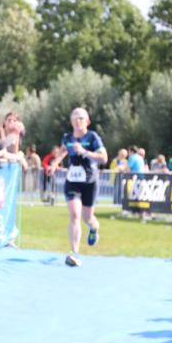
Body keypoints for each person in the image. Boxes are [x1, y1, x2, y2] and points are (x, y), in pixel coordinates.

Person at [47, 108, 108, 268]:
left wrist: (85, 152)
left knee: (88, 218)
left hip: (90, 182)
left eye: (81, 118)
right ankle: (75, 253)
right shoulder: (67, 137)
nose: (77, 121)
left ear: (87, 121)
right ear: (71, 121)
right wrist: (54, 165)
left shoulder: (93, 137)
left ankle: (94, 229)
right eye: (74, 118)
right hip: (72, 181)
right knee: (75, 215)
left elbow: (104, 158)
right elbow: (62, 152)